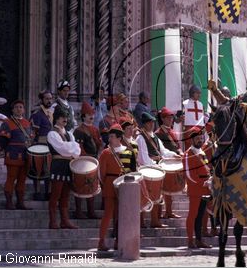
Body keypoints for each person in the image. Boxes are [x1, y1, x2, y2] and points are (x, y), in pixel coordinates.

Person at [97, 123, 137, 251]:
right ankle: (101, 241)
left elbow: (133, 171)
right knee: (108, 213)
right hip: (109, 183)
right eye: (110, 136)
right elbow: (101, 173)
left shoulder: (129, 152)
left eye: (112, 136)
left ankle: (118, 241)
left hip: (124, 185)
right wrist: (105, 184)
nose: (110, 139)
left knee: (121, 215)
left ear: (119, 138)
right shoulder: (105, 153)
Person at [135, 112, 179, 228]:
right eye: (149, 123)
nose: (152, 124)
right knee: (146, 197)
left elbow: (163, 151)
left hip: (155, 169)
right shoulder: (140, 138)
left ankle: (155, 221)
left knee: (157, 197)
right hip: (146, 170)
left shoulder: (155, 137)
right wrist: (156, 165)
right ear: (144, 124)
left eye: (152, 122)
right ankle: (141, 222)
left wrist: (173, 155)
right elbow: (143, 158)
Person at [47, 106, 81, 229]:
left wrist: (70, 147)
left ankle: (64, 220)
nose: (64, 119)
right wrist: (71, 147)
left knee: (66, 195)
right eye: (62, 116)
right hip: (58, 165)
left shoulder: (69, 134)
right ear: (56, 118)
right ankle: (52, 221)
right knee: (56, 194)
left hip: (68, 166)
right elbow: (62, 149)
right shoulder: (52, 133)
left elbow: (77, 150)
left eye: (66, 117)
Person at [0, 100, 34, 210]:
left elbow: (31, 138)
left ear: (23, 110)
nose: (19, 109)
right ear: (13, 110)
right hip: (13, 154)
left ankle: (20, 202)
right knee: (11, 178)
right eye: (17, 107)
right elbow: (2, 140)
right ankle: (9, 202)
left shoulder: (27, 123)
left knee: (22, 179)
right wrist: (9, 150)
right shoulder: (7, 123)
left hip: (25, 155)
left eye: (21, 107)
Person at [183, 127, 212, 249]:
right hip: (196, 190)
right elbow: (189, 175)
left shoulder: (202, 152)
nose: (200, 140)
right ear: (191, 140)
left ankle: (199, 239)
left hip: (205, 189)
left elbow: (207, 168)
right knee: (193, 215)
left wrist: (210, 179)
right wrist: (203, 183)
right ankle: (190, 240)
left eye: (201, 138)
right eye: (197, 138)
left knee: (201, 215)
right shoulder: (187, 154)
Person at [73, 101, 103, 219]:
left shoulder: (95, 129)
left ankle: (91, 211)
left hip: (94, 161)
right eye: (88, 114)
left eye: (92, 114)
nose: (91, 116)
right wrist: (86, 159)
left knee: (92, 186)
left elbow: (99, 144)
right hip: (83, 161)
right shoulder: (79, 130)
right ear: (83, 116)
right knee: (80, 185)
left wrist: (98, 154)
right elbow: (79, 147)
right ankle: (79, 211)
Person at [155, 107, 183, 219]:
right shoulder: (158, 133)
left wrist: (180, 152)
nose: (171, 119)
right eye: (168, 117)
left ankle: (169, 211)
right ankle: (160, 214)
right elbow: (159, 149)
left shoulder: (171, 131)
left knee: (170, 189)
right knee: (164, 189)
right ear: (163, 119)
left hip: (173, 161)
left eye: (172, 117)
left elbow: (177, 146)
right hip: (164, 163)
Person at [29, 89, 54, 201]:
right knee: (38, 168)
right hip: (40, 144)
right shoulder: (37, 114)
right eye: (47, 98)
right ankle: (37, 192)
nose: (49, 101)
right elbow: (33, 131)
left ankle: (48, 192)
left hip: (51, 145)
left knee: (49, 169)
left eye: (50, 98)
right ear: (42, 99)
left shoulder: (53, 113)